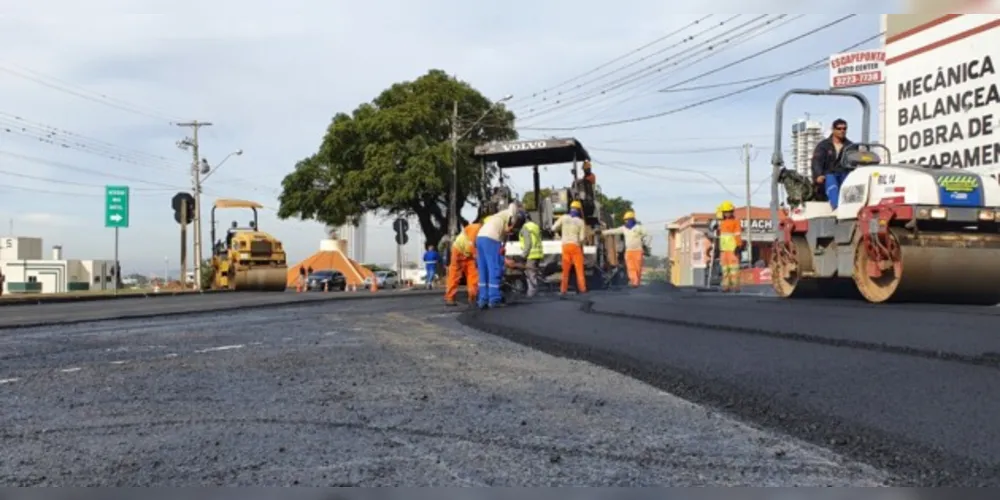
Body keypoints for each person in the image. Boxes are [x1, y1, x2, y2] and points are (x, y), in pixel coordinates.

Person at [475, 202, 520, 309]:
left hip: (480, 238)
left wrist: (502, 248)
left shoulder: (498, 217)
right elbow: (508, 229)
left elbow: (504, 234)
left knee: (483, 270)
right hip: (491, 238)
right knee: (494, 269)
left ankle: (483, 299)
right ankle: (494, 299)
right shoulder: (511, 215)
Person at [811, 118, 854, 209]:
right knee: (831, 180)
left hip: (844, 174)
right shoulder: (823, 145)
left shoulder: (851, 146)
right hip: (828, 175)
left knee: (850, 181)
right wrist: (818, 175)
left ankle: (851, 207)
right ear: (833, 129)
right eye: (839, 128)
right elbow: (816, 161)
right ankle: (836, 208)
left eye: (844, 128)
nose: (842, 131)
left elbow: (855, 162)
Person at [603, 210, 651, 288]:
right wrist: (603, 232)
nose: (626, 221)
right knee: (630, 267)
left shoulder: (639, 228)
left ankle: (636, 282)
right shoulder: (624, 228)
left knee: (637, 268)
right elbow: (613, 231)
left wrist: (645, 245)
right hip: (629, 251)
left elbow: (648, 235)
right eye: (625, 220)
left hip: (638, 250)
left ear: (632, 219)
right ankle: (634, 282)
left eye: (627, 219)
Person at [552, 200, 588, 296]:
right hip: (575, 246)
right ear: (579, 210)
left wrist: (559, 233)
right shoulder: (580, 222)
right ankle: (582, 289)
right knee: (579, 269)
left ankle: (563, 290)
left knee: (565, 270)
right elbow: (582, 238)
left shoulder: (563, 218)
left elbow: (553, 228)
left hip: (565, 246)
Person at [445, 222, 481, 306]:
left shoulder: (483, 231)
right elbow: (471, 244)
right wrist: (478, 257)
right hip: (459, 251)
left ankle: (473, 297)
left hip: (469, 255)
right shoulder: (475, 228)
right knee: (454, 275)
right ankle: (450, 298)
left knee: (474, 275)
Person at [716, 201, 745, 293]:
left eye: (728, 212)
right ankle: (726, 287)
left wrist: (739, 245)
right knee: (725, 270)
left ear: (731, 212)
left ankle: (736, 287)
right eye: (725, 212)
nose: (726, 214)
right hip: (724, 250)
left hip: (733, 249)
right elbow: (720, 236)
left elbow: (737, 235)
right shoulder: (721, 223)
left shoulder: (735, 222)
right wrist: (718, 248)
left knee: (734, 270)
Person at [518, 213, 544, 297]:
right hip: (538, 253)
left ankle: (532, 294)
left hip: (531, 255)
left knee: (530, 275)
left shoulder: (525, 228)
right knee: (534, 273)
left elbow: (528, 243)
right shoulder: (535, 226)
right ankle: (535, 291)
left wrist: (523, 255)